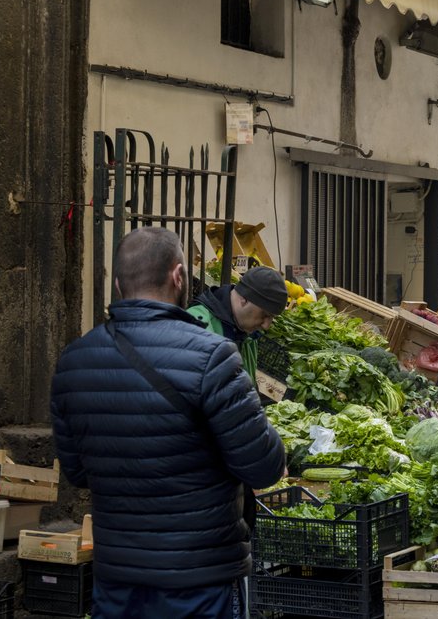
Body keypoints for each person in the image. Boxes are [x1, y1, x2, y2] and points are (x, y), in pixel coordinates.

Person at [50, 227, 286, 617]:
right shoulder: (213, 356)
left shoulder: (73, 361)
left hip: (117, 576)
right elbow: (263, 466)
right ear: (179, 276)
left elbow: (77, 472)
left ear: (118, 282)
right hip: (198, 579)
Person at [188, 266, 289, 389]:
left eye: (272, 318)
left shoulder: (248, 335)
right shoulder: (198, 325)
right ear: (244, 299)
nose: (266, 326)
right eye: (265, 315)